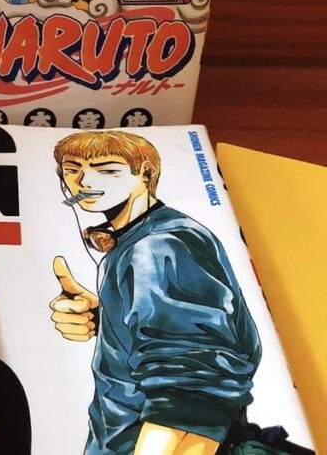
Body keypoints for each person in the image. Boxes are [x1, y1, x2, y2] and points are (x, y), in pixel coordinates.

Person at [50, 131, 260, 454]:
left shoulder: (156, 245)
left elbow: (192, 394)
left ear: (145, 174)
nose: (84, 181)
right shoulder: (139, 239)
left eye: (107, 170)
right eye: (72, 169)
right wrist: (105, 316)